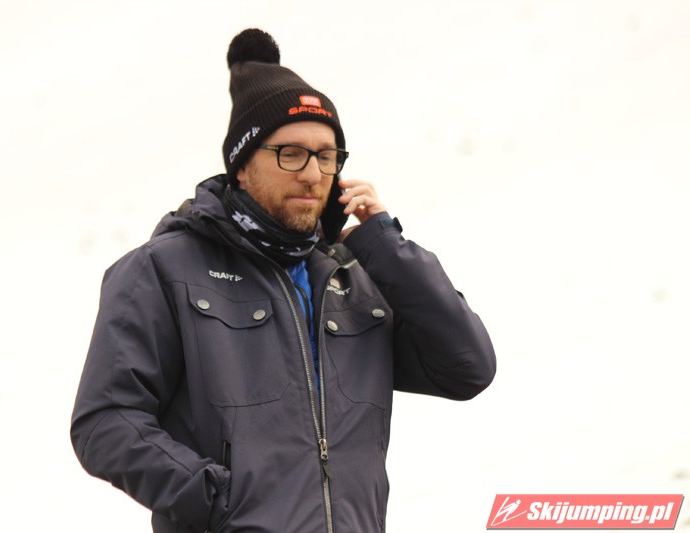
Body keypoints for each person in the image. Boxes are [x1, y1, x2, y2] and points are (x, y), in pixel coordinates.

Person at [70, 28, 496, 533]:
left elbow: (467, 368)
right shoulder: (163, 270)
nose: (313, 174)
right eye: (290, 153)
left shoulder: (355, 281)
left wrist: (384, 243)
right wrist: (218, 501)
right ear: (242, 166)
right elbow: (106, 420)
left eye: (327, 156)